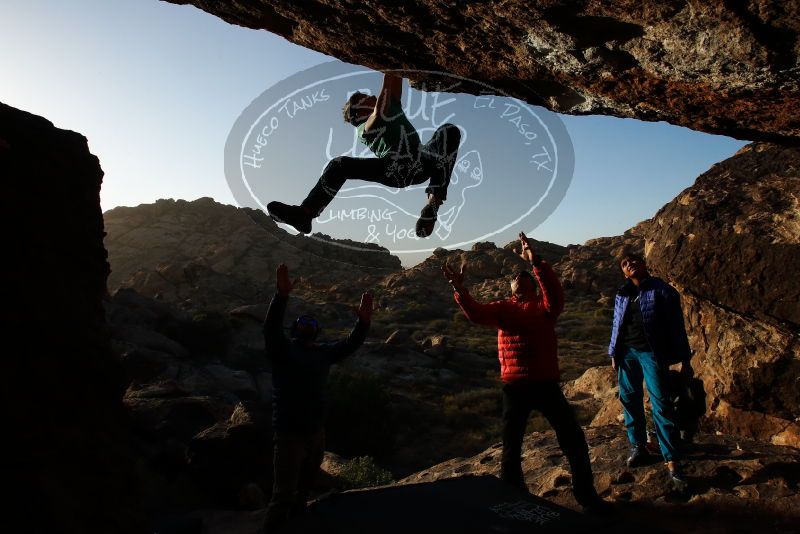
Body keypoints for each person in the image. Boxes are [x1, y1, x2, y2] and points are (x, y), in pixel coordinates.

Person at [442, 232, 610, 513]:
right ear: (510, 288)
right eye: (514, 279)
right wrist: (461, 290)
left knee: (573, 439)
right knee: (511, 447)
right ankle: (514, 496)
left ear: (531, 285)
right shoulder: (502, 308)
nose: (518, 280)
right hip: (515, 387)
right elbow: (475, 314)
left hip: (546, 384)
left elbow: (554, 293)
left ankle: (586, 495)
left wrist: (537, 263)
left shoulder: (545, 308)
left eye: (524, 278)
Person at [267, 72, 461, 238]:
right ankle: (306, 213)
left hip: (421, 162)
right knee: (340, 165)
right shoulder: (365, 128)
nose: (371, 96)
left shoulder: (391, 106)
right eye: (365, 98)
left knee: (448, 131)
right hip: (395, 168)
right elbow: (380, 110)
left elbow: (395, 73)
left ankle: (433, 204)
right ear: (358, 112)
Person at [262, 263, 373, 531]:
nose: (308, 325)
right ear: (295, 329)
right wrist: (281, 296)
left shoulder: (323, 353)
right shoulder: (283, 352)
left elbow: (350, 345)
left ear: (317, 331)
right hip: (289, 434)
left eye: (312, 323)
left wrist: (363, 323)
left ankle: (298, 525)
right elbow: (271, 330)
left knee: (304, 490)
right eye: (303, 322)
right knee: (283, 495)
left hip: (315, 433)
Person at [608, 253, 692, 491]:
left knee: (661, 403)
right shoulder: (622, 294)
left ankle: (672, 459)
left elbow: (677, 326)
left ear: (643, 264)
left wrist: (685, 359)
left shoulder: (662, 290)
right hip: (627, 353)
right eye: (625, 264)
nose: (630, 264)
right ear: (623, 271)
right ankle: (639, 446)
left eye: (633, 261)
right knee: (629, 399)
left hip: (652, 353)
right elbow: (616, 324)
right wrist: (614, 353)